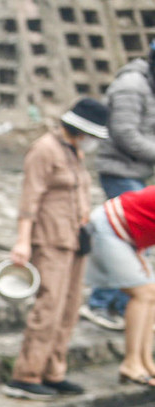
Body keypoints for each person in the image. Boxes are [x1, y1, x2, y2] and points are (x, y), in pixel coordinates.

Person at [3, 97, 108, 401]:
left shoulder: (73, 150)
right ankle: (26, 374)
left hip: (74, 239)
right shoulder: (44, 150)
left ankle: (53, 371)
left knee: (69, 307)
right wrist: (23, 241)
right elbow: (30, 199)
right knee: (48, 307)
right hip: (49, 239)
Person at [86, 40, 155, 330]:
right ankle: (100, 304)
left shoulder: (148, 84)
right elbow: (125, 133)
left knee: (132, 242)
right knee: (125, 239)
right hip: (119, 170)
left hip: (137, 170)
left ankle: (122, 306)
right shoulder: (131, 86)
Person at [84, 183, 155, 386]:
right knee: (143, 293)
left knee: (150, 293)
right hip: (109, 227)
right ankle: (131, 362)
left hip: (128, 234)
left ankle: (146, 361)